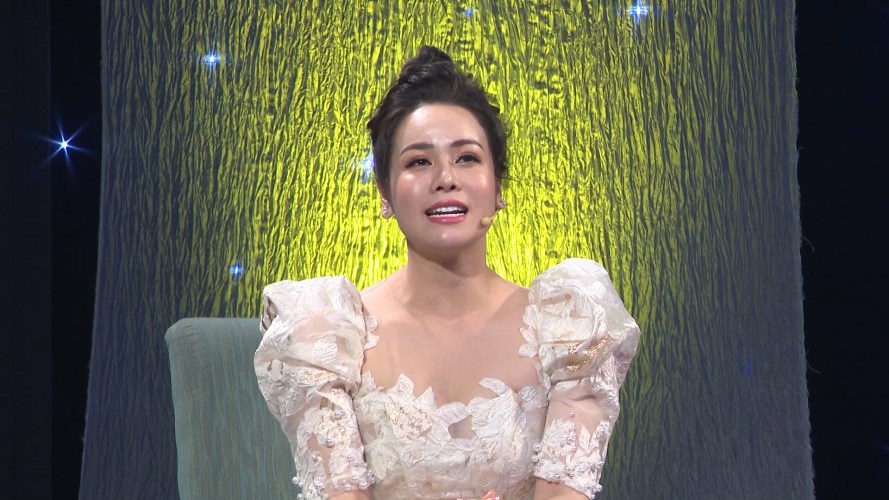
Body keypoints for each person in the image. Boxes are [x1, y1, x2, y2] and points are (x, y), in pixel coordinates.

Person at [255, 46, 641, 500]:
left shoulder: (569, 328)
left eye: (467, 158)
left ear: (498, 186)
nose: (445, 178)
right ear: (384, 192)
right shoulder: (326, 337)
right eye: (419, 162)